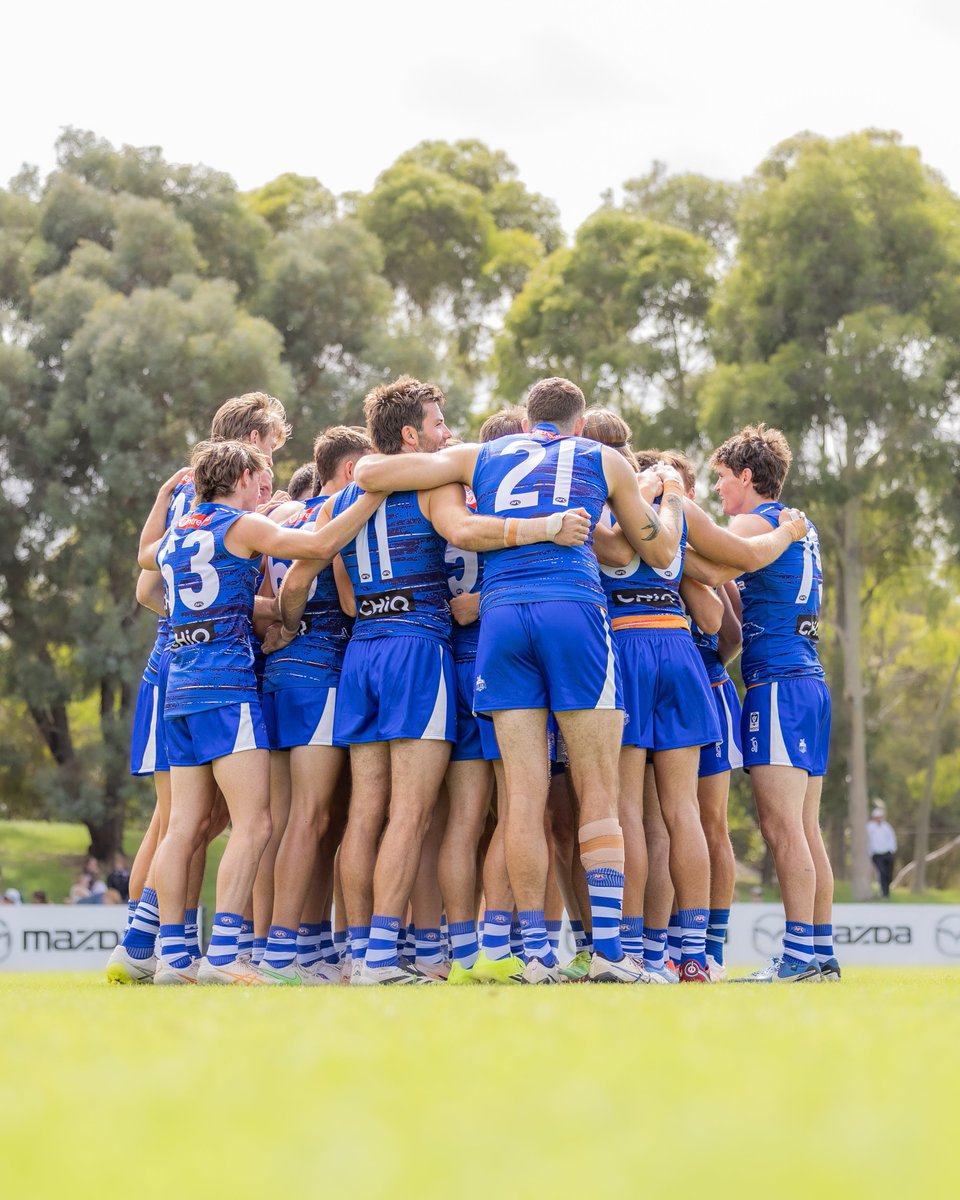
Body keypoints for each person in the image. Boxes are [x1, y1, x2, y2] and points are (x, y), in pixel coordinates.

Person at [354, 376, 686, 984]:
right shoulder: (602, 456)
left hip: (501, 620)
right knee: (598, 792)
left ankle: (532, 954)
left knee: (522, 802)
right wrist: (666, 497)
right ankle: (611, 954)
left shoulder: (481, 455)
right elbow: (659, 553)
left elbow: (369, 475)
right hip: (572, 611)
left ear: (527, 419)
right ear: (578, 424)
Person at [281, 377, 591, 985]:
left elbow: (333, 594)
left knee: (366, 813)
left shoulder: (346, 496)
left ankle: (358, 954)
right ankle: (379, 960)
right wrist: (546, 527)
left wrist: (282, 628)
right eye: (438, 423)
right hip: (418, 650)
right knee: (413, 816)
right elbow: (464, 533)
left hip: (362, 650)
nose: (447, 433)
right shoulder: (435, 482)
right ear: (410, 435)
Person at [134, 439, 387, 985]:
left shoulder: (181, 532)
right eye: (260, 478)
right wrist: (369, 494)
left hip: (178, 683)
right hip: (225, 687)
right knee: (256, 823)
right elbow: (317, 543)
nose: (263, 489)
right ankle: (225, 955)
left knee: (182, 827)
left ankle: (174, 959)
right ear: (243, 476)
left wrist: (272, 611)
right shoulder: (238, 525)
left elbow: (147, 565)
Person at [110, 391, 290, 985]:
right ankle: (147, 943)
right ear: (251, 448)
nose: (272, 469)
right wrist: (233, 615)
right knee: (186, 820)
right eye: (270, 450)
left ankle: (162, 949)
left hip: (178, 665)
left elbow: (146, 578)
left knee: (187, 819)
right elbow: (145, 585)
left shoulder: (191, 496)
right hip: (200, 668)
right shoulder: (235, 506)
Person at [691, 424, 837, 983]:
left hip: (778, 682)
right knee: (805, 826)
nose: (721, 492)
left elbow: (716, 566)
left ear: (747, 476)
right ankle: (820, 952)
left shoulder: (757, 521)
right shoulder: (800, 522)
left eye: (723, 479)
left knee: (782, 829)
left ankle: (798, 956)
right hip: (808, 681)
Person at [254, 426, 373, 985]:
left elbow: (254, 590)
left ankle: (287, 946)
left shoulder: (279, 519)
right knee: (314, 818)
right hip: (321, 674)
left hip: (274, 677)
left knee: (283, 822)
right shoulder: (337, 516)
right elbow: (348, 599)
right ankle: (284, 952)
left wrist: (277, 625)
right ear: (351, 472)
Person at [867, 806, 897, 898]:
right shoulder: (869, 827)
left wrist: (892, 849)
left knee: (888, 873)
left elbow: (892, 838)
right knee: (882, 872)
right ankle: (883, 892)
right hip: (876, 854)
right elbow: (867, 841)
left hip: (887, 853)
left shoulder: (886, 826)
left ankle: (886, 891)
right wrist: (870, 852)